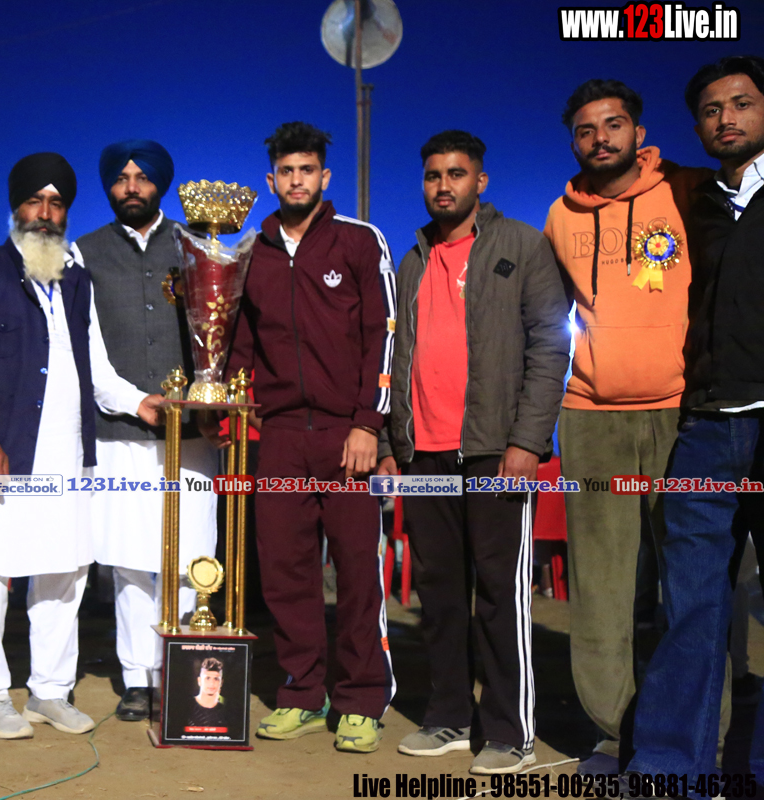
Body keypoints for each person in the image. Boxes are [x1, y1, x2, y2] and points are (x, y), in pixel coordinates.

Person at [0, 153, 163, 739]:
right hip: (3, 452)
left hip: (67, 455)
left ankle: (49, 689)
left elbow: (98, 369)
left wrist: (140, 403)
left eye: (56, 204)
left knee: (64, 573)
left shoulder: (76, 282)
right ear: (16, 208)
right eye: (34, 202)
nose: (45, 214)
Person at [379, 130, 569, 774]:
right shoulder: (412, 260)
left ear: (480, 181)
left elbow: (550, 345)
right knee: (437, 592)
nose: (443, 185)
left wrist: (527, 441)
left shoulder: (521, 245)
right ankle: (449, 717)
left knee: (498, 593)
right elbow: (396, 358)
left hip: (493, 452)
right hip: (423, 455)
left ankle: (511, 732)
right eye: (433, 175)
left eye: (456, 174)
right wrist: (394, 442)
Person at [543, 79, 709, 776]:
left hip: (682, 413)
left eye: (613, 124)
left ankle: (699, 732)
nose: (600, 138)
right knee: (602, 590)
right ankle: (615, 733)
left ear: (639, 132)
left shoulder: (688, 192)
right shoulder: (560, 215)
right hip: (590, 418)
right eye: (585, 130)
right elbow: (548, 319)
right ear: (573, 142)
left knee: (694, 583)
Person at [226, 121, 396, 754]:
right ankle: (302, 692)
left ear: (325, 176)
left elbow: (383, 334)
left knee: (356, 571)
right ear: (270, 180)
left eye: (307, 170)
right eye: (286, 171)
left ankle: (361, 700)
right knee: (284, 571)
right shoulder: (252, 253)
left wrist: (367, 423)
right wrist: (230, 402)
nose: (296, 180)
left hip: (345, 434)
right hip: (277, 436)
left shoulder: (359, 241)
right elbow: (240, 343)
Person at [628, 54, 764, 784]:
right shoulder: (695, 202)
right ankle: (668, 771)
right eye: (711, 110)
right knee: (689, 607)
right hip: (706, 426)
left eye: (741, 103)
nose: (726, 119)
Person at [73, 139, 218, 721]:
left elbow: (222, 332)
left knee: (191, 555)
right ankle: (137, 677)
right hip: (120, 432)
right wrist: (134, 401)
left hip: (194, 436)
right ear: (108, 186)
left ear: (161, 183)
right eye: (120, 178)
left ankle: (180, 667)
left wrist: (207, 398)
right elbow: (85, 348)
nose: (131, 187)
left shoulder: (198, 246)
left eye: (142, 177)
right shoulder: (84, 252)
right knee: (130, 560)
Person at [187, 658, 230, 730]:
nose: (211, 683)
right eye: (207, 678)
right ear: (199, 681)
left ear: (221, 682)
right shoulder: (186, 707)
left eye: (216, 679)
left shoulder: (227, 711)